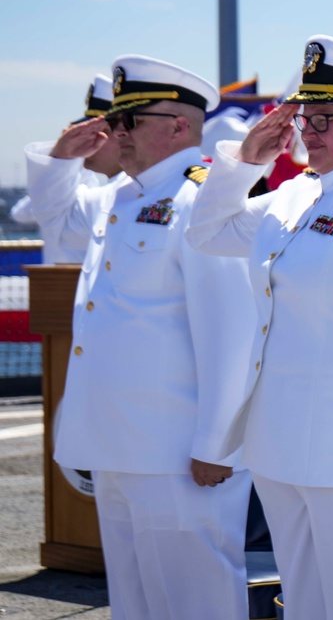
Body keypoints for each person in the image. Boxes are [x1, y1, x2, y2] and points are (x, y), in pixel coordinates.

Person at [186, 34, 333, 620]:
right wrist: (242, 161)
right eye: (303, 116)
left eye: (325, 117)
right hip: (276, 444)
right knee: (304, 603)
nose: (307, 130)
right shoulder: (295, 195)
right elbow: (209, 233)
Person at [25, 55, 256, 619]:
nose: (116, 133)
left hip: (178, 452)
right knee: (134, 599)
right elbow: (54, 215)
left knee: (194, 595)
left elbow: (232, 333)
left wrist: (216, 444)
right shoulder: (118, 200)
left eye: (130, 121)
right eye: (114, 120)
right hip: (119, 444)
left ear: (179, 125)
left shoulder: (205, 201)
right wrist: (61, 158)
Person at [12, 74, 124, 263]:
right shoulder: (98, 194)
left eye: (101, 132)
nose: (90, 139)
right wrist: (62, 158)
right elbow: (46, 215)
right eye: (87, 131)